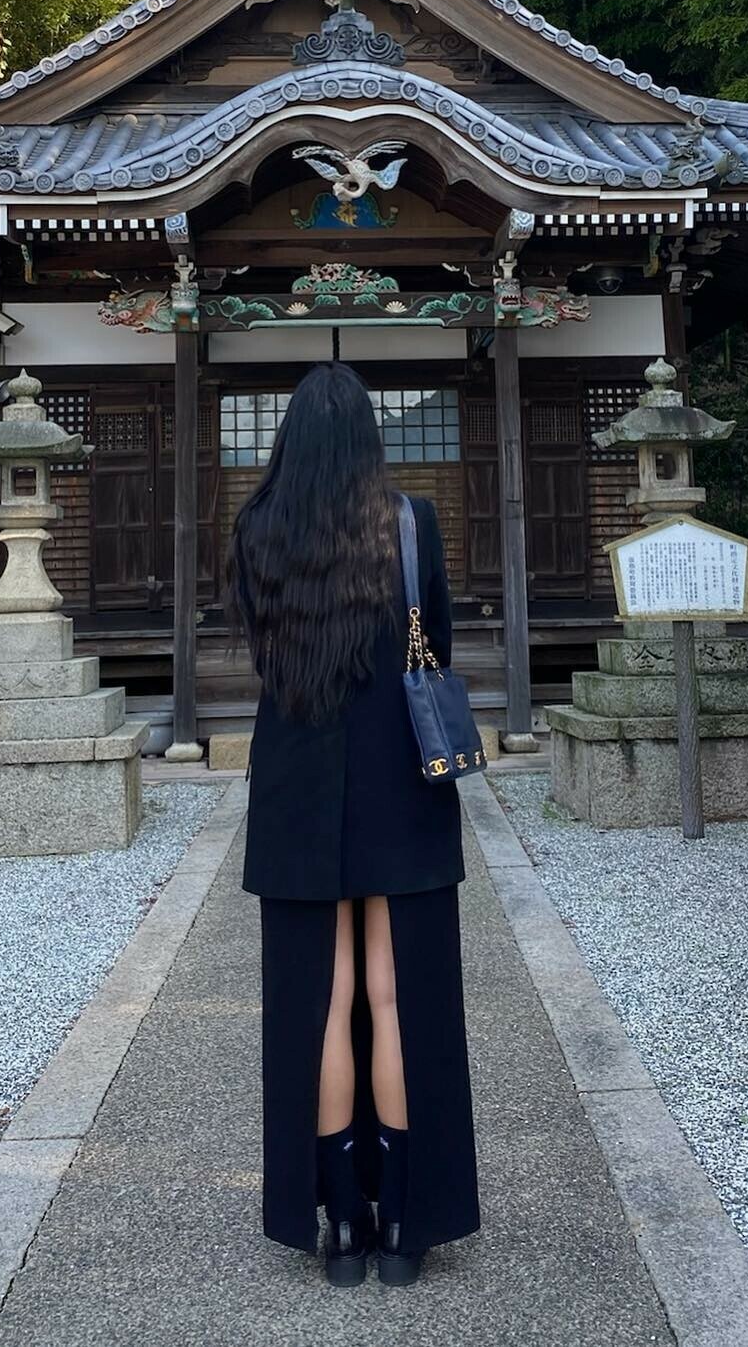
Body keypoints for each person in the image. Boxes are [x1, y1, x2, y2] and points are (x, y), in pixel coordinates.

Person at [226, 360, 482, 1287]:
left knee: (322, 1002)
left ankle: (339, 1225)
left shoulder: (258, 527)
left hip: (298, 783)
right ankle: (405, 1226)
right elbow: (435, 643)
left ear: (290, 437)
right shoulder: (411, 522)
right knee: (395, 994)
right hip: (400, 777)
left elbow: (262, 652)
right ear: (370, 436)